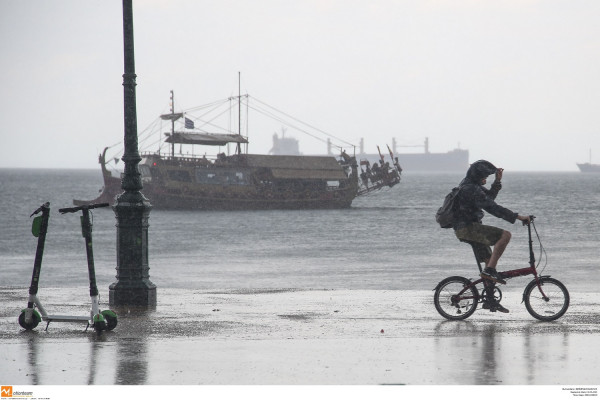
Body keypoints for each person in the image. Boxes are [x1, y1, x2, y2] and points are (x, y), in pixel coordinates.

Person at [452, 160, 530, 312]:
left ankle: (489, 300)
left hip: (468, 228)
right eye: (485, 175)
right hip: (468, 228)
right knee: (505, 235)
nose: (486, 178)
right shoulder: (470, 188)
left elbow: (488, 199)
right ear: (478, 175)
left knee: (490, 262)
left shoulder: (471, 185)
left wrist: (497, 181)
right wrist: (518, 217)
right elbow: (492, 208)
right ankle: (489, 272)